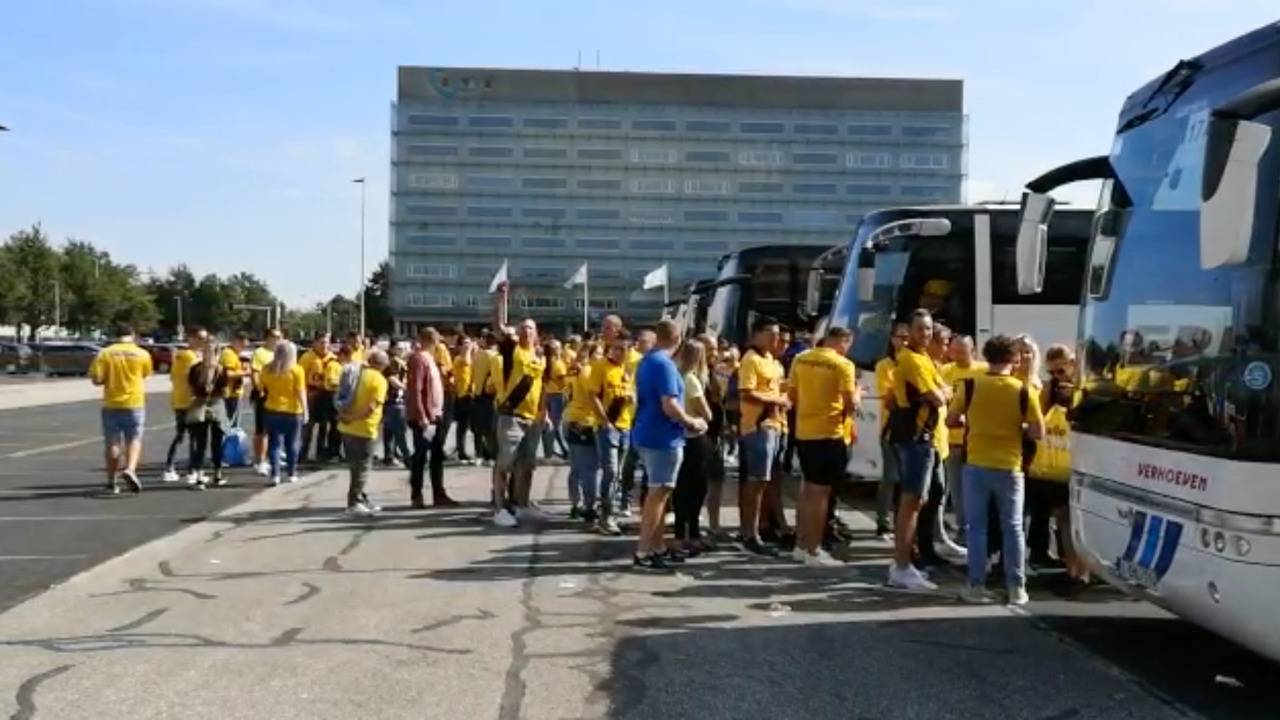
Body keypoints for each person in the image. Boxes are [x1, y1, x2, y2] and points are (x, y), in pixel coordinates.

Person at [947, 335, 1046, 605]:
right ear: (1014, 359)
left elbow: (950, 420)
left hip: (976, 463)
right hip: (1010, 466)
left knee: (976, 527)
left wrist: (973, 421)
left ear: (986, 357)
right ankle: (1017, 587)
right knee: (1013, 527)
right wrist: (1017, 427)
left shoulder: (969, 386)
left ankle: (976, 586)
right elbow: (1038, 432)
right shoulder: (1024, 390)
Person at [632, 320, 707, 570]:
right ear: (679, 338)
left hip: (649, 432)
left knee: (660, 494)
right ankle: (645, 550)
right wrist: (691, 422)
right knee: (659, 493)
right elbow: (669, 405)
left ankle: (656, 546)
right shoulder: (664, 364)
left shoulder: (648, 361)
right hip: (663, 436)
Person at [886, 309, 949, 590]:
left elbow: (943, 391)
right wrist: (944, 392)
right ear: (909, 331)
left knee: (920, 499)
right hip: (916, 439)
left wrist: (944, 391)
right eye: (920, 329)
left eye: (928, 329)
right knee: (911, 502)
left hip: (927, 438)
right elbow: (938, 396)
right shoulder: (911, 360)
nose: (926, 334)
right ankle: (901, 566)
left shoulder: (924, 359)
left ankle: (905, 561)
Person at [788, 326, 859, 567]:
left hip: (804, 432)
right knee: (821, 495)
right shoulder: (843, 365)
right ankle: (814, 550)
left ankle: (800, 545)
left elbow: (793, 396)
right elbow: (851, 404)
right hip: (829, 434)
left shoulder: (801, 359)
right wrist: (859, 393)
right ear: (844, 341)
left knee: (808, 490)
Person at [490, 282, 547, 527]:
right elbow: (499, 326)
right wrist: (502, 299)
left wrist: (543, 413)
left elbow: (543, 386)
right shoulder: (513, 351)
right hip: (511, 416)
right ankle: (500, 509)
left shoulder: (540, 357)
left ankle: (522, 505)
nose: (525, 332)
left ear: (536, 333)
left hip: (532, 418)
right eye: (522, 328)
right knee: (505, 464)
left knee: (527, 466)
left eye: (530, 329)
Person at [737, 318, 791, 556]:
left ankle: (769, 526)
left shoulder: (774, 362)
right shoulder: (751, 359)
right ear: (756, 334)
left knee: (770, 480)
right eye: (770, 333)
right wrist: (776, 400)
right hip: (759, 427)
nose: (775, 338)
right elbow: (747, 393)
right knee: (757, 480)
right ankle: (750, 533)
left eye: (777, 334)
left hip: (778, 425)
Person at [1028, 343, 1077, 575]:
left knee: (1067, 517)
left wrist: (1074, 396)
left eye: (1061, 370)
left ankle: (1073, 563)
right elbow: (1038, 417)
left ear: (1073, 364)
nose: (1058, 377)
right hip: (1051, 465)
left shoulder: (1082, 387)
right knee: (1057, 515)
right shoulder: (1049, 389)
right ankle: (1067, 564)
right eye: (1052, 372)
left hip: (1073, 464)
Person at [90, 325, 153, 494]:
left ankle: (112, 481)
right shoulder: (142, 354)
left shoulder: (105, 353)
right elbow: (146, 374)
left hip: (112, 403)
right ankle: (130, 469)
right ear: (132, 335)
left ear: (115, 336)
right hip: (134, 402)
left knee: (113, 443)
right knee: (134, 439)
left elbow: (97, 379)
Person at [938, 334, 986, 557]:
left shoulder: (984, 371)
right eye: (954, 350)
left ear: (973, 350)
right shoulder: (945, 371)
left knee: (978, 489)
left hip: (977, 440)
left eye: (962, 350)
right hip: (953, 439)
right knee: (956, 488)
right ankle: (962, 529)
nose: (956, 354)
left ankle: (979, 529)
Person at [588, 334, 635, 536]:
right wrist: (605, 422)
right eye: (616, 348)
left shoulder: (627, 369)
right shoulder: (600, 367)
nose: (619, 352)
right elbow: (593, 395)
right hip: (608, 427)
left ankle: (611, 514)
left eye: (623, 349)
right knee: (611, 471)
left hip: (626, 425)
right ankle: (605, 516)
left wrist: (631, 398)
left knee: (620, 473)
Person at [338, 349, 391, 517]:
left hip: (346, 427)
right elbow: (372, 407)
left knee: (354, 468)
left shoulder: (356, 375)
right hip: (365, 428)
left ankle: (360, 498)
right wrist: (354, 418)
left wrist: (346, 417)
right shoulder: (380, 380)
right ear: (382, 365)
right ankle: (353, 503)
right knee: (362, 468)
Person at [672, 339, 713, 555]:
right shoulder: (693, 380)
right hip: (695, 436)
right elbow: (707, 413)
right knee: (697, 488)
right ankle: (693, 535)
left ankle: (681, 534)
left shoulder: (677, 375)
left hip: (679, 435)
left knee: (681, 487)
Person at [874, 323, 909, 538]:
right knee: (890, 476)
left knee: (908, 480)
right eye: (900, 337)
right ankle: (882, 520)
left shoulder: (916, 363)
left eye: (907, 338)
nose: (903, 342)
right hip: (891, 428)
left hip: (912, 429)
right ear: (892, 339)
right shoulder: (884, 365)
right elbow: (889, 399)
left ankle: (901, 521)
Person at [406, 328, 446, 509]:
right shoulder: (418, 359)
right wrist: (422, 416)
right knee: (421, 456)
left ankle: (439, 493)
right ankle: (417, 494)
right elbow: (415, 389)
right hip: (424, 417)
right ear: (431, 340)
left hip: (435, 414)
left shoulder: (430, 359)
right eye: (436, 340)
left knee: (437, 455)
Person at [259, 340, 308, 485]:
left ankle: (275, 475)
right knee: (293, 443)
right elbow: (300, 392)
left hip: (272, 409)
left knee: (274, 444)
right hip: (293, 411)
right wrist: (306, 410)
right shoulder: (296, 370)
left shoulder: (267, 369)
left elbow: (262, 387)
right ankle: (292, 473)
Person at [563, 341, 601, 525]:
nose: (602, 357)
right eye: (599, 353)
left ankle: (575, 502)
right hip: (585, 421)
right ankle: (589, 506)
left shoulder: (573, 371)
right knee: (590, 468)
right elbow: (594, 398)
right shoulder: (588, 372)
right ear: (590, 354)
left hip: (571, 418)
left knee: (577, 467)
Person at [617, 327, 653, 515]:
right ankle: (625, 500)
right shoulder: (631, 360)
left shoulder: (647, 363)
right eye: (638, 340)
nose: (640, 344)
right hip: (628, 417)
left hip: (644, 416)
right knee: (630, 461)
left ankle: (644, 501)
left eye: (644, 341)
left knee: (647, 463)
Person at [186, 335, 230, 490]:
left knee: (200, 443)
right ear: (218, 353)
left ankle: (199, 476)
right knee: (217, 442)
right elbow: (225, 392)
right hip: (217, 405)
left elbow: (190, 389)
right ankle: (217, 474)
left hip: (199, 405)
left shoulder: (195, 369)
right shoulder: (222, 370)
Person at [162, 328, 203, 483]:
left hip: (179, 399)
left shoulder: (180, 355)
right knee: (194, 436)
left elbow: (173, 377)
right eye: (199, 338)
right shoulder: (189, 357)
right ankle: (191, 470)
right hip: (189, 401)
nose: (202, 342)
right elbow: (197, 378)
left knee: (182, 435)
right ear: (191, 338)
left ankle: (170, 467)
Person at [299, 333, 339, 463]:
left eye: (327, 342)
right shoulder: (307, 357)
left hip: (327, 396)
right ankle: (302, 454)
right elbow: (300, 377)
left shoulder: (333, 358)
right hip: (311, 395)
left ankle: (321, 453)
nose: (324, 345)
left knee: (325, 425)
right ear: (314, 343)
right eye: (321, 342)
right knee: (308, 426)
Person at [249, 329, 282, 475]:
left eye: (280, 337)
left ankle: (272, 455)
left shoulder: (281, 352)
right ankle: (260, 460)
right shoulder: (260, 353)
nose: (277, 339)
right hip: (264, 393)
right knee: (262, 429)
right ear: (267, 338)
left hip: (279, 394)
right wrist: (259, 389)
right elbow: (255, 372)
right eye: (274, 337)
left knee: (276, 428)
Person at [470, 331, 499, 465]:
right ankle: (492, 456)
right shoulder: (495, 356)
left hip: (477, 393)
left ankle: (479, 454)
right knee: (491, 428)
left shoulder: (477, 355)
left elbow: (472, 372)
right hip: (491, 395)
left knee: (478, 428)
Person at [381, 343, 411, 468]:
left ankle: (390, 455)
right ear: (393, 349)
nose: (403, 350)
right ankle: (407, 457)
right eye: (400, 348)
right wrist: (405, 388)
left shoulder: (402, 362)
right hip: (394, 401)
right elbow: (391, 378)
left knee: (390, 430)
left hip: (395, 401)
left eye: (405, 348)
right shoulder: (394, 362)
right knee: (399, 430)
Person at [541, 338, 569, 461]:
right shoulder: (558, 364)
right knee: (554, 426)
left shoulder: (544, 362)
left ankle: (559, 450)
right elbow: (563, 383)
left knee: (549, 425)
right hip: (558, 396)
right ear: (556, 350)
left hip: (546, 395)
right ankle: (550, 453)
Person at [452, 336, 475, 464]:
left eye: (469, 342)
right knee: (462, 426)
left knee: (474, 425)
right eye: (464, 343)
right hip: (462, 395)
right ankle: (461, 451)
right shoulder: (458, 359)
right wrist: (468, 349)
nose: (467, 345)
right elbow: (466, 362)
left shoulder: (472, 358)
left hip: (471, 394)